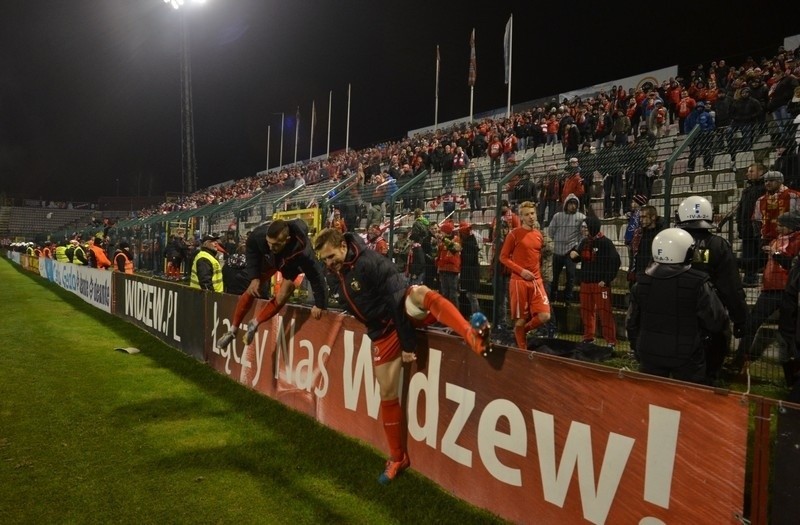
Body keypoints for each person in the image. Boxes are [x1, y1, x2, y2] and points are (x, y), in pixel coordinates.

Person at [312, 228, 491, 484]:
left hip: (402, 315)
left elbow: (396, 299)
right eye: (325, 260)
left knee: (419, 293)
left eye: (331, 256)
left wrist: (408, 344)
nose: (329, 263)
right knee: (386, 393)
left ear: (342, 245)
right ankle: (398, 458)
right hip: (381, 333)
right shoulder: (338, 272)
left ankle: (470, 335)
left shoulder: (371, 262)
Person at [626, 228, 729, 384]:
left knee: (652, 402)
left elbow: (631, 322)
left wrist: (638, 347)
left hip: (649, 353)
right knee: (688, 403)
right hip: (687, 356)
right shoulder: (698, 283)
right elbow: (716, 321)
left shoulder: (641, 283)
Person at [215, 219, 327, 349]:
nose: (271, 247)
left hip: (291, 267)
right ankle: (233, 330)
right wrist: (254, 277)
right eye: (269, 243)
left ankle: (256, 323)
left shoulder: (304, 252)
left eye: (276, 245)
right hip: (272, 261)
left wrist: (320, 304)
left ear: (288, 239)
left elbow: (316, 276)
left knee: (284, 294)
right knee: (253, 288)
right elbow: (251, 247)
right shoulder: (261, 235)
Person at [676, 195, 747, 382]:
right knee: (708, 365)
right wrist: (740, 318)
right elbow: (731, 286)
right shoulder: (718, 245)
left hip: (675, 311)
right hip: (708, 315)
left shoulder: (669, 242)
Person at [734, 210, 800, 368]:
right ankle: (738, 362)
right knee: (751, 324)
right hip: (770, 290)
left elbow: (790, 264)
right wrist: (734, 260)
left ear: (791, 226)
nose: (777, 227)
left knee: (787, 333)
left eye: (781, 224)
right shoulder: (775, 241)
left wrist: (775, 253)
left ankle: (791, 371)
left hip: (789, 292)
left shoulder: (798, 241)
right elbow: (756, 263)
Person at [499, 201, 551, 350]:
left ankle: (521, 332)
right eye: (527, 214)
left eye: (532, 213)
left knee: (545, 316)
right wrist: (521, 271)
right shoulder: (514, 235)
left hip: (536, 281)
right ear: (521, 217)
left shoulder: (539, 235)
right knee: (520, 319)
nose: (531, 217)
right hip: (518, 281)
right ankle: (522, 349)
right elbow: (503, 257)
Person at [568, 216, 621, 350]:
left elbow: (615, 262)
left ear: (592, 228)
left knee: (605, 312)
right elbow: (578, 257)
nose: (583, 230)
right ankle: (588, 338)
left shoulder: (606, 243)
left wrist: (607, 279)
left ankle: (611, 341)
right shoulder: (584, 242)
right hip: (585, 282)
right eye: (582, 227)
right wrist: (574, 256)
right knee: (586, 311)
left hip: (600, 284)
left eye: (585, 227)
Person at [548, 194, 585, 303]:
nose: (573, 206)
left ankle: (567, 299)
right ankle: (552, 297)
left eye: (575, 204)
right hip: (557, 251)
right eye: (571, 203)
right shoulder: (557, 216)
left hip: (571, 252)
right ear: (566, 204)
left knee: (571, 276)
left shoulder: (581, 217)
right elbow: (551, 231)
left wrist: (577, 249)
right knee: (554, 276)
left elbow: (582, 235)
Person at [736, 163, 767, 286]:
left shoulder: (764, 188)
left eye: (751, 171)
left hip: (758, 227)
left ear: (760, 172)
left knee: (756, 253)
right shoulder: (747, 190)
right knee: (748, 252)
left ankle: (753, 276)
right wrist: (740, 223)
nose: (748, 174)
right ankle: (749, 277)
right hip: (746, 227)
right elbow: (741, 208)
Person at [753, 171, 800, 244]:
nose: (767, 183)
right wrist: (759, 238)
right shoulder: (760, 200)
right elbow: (756, 220)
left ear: (780, 181)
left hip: (790, 240)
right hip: (766, 240)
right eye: (765, 181)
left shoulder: (794, 196)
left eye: (771, 180)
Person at [628, 205, 666, 283]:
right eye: (640, 217)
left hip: (654, 275)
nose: (641, 220)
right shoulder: (638, 233)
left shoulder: (662, 234)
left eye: (644, 217)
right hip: (639, 274)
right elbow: (633, 254)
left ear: (653, 217)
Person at [436, 221, 461, 307]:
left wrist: (443, 239)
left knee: (453, 294)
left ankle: (455, 314)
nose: (440, 233)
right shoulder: (441, 241)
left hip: (452, 269)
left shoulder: (456, 239)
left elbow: (455, 248)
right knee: (445, 293)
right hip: (443, 268)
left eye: (442, 231)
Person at [458, 220, 481, 315]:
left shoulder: (469, 243)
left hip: (471, 274)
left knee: (472, 296)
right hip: (469, 273)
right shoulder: (470, 241)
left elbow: (469, 260)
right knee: (469, 296)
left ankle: (477, 317)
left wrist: (460, 252)